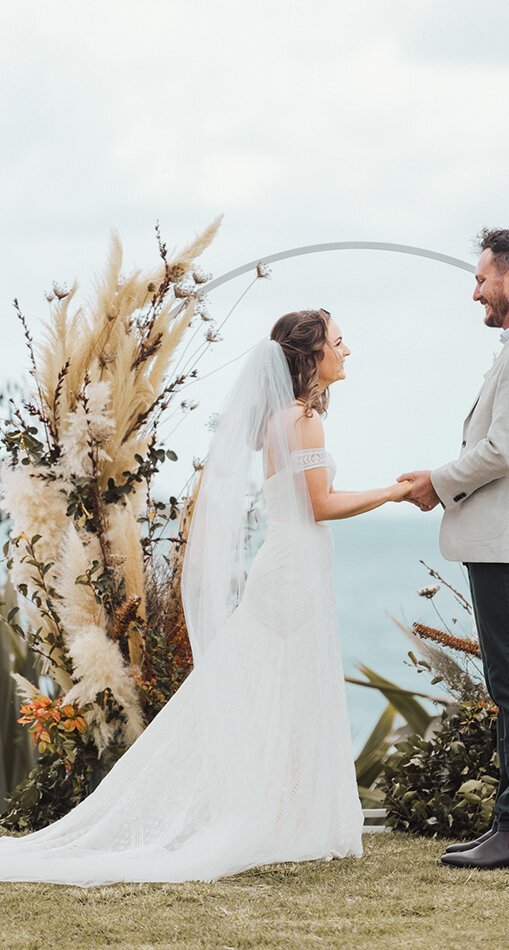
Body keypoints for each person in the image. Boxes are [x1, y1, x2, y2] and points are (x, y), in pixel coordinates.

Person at [0, 308, 411, 886]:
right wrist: (394, 492)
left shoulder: (280, 417)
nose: (348, 352)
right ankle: (279, 814)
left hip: (288, 563)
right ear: (311, 357)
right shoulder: (303, 419)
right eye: (340, 343)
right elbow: (321, 504)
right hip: (295, 566)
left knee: (270, 682)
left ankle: (280, 811)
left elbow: (313, 496)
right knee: (285, 681)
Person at [399, 229, 509, 870]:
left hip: (508, 538)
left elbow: (502, 450)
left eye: (481, 278)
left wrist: (437, 483)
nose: (474, 290)